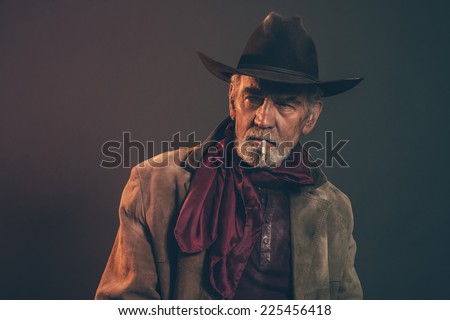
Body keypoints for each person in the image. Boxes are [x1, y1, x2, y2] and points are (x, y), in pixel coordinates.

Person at [95, 12, 363, 300]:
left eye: (285, 104)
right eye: (253, 98)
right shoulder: (152, 186)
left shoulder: (335, 211)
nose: (262, 118)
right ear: (233, 103)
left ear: (310, 117)